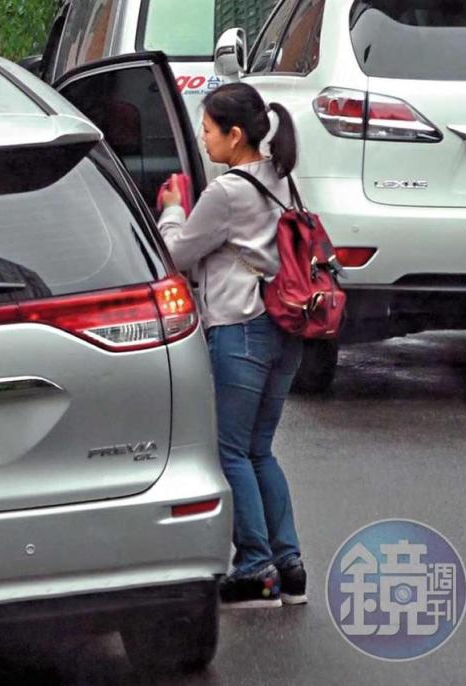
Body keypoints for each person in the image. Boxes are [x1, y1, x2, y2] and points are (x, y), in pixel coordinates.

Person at [158, 83, 307, 609]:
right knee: (259, 448)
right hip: (286, 329)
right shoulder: (283, 180)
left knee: (232, 451)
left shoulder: (226, 192)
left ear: (234, 134)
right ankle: (289, 566)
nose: (203, 141)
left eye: (207, 130)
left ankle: (254, 569)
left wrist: (172, 209)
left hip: (240, 327)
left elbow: (178, 253)